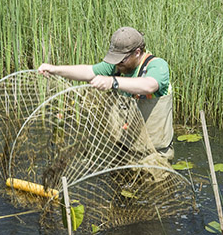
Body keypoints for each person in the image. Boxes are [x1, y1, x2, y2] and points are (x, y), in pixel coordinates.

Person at [38, 27, 174, 163]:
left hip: (155, 152)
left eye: (121, 60)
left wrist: (113, 81)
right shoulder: (117, 66)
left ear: (137, 52)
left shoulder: (157, 65)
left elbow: (149, 85)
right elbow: (88, 71)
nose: (117, 64)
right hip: (126, 148)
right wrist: (54, 69)